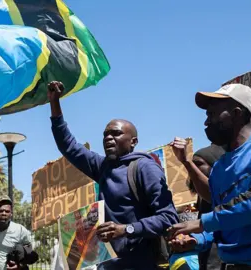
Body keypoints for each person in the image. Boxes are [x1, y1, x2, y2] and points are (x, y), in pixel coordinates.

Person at [47, 81, 179, 270]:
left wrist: (126, 230)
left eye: (116, 134)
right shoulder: (103, 167)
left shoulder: (144, 168)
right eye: (105, 134)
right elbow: (68, 146)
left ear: (133, 141)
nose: (108, 138)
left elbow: (169, 218)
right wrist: (54, 103)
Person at [168, 84, 251, 269]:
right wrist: (196, 240)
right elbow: (225, 222)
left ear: (237, 113)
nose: (207, 123)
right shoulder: (219, 169)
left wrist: (202, 223)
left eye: (212, 114)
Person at [170, 141, 225, 270]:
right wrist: (194, 240)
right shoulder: (203, 199)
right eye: (192, 165)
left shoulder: (234, 196)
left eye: (199, 164)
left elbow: (222, 224)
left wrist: (186, 161)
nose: (193, 170)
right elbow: (210, 230)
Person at [0, 195, 37, 270]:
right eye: (0, 210)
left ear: (11, 214)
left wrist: (20, 264)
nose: (4, 213)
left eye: (7, 211)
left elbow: (29, 247)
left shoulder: (20, 230)